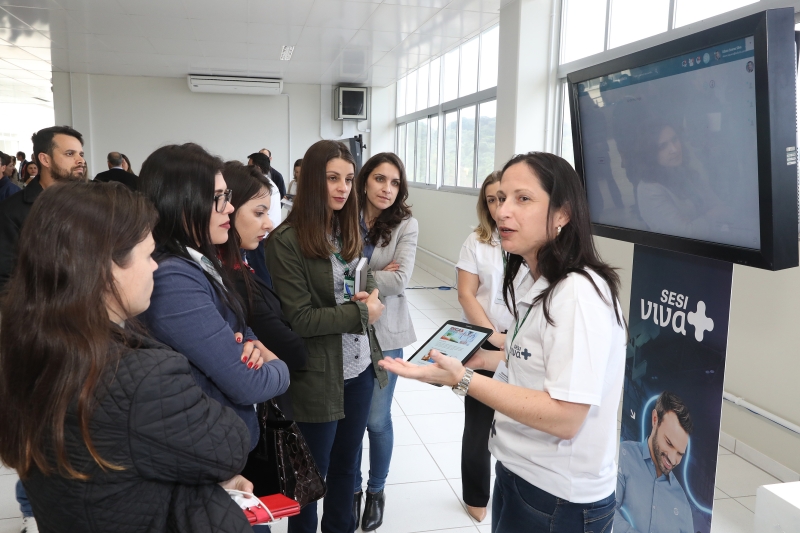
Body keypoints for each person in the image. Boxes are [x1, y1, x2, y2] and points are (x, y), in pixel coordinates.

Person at [380, 152, 626, 533]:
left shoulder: (578, 294)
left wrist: (463, 379)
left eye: (522, 199)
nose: (502, 212)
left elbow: (565, 417)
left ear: (562, 214)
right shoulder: (535, 280)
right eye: (500, 198)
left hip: (557, 498)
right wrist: (479, 360)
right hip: (519, 473)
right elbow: (529, 360)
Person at [0, 181, 256, 533]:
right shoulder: (143, 376)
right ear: (105, 267)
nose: (155, 268)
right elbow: (232, 446)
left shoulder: (29, 347)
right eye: (148, 255)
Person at [264, 140, 386, 533]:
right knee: (309, 477)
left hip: (359, 368)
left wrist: (367, 297)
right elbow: (299, 319)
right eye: (333, 178)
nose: (343, 188)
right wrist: (361, 313)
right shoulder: (286, 240)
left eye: (349, 179)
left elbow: (357, 281)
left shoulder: (347, 228)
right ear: (313, 180)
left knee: (347, 467)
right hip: (318, 375)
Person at [137, 143, 290, 453]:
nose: (229, 208)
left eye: (227, 197)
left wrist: (252, 345)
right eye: (218, 198)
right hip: (204, 453)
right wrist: (279, 367)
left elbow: (243, 329)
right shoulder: (174, 279)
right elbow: (248, 384)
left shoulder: (197, 261)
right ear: (182, 203)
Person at [455, 171, 528, 523]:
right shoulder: (476, 241)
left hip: (524, 342)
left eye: (504, 197)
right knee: (479, 424)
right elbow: (466, 294)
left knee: (520, 421)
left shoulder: (529, 243)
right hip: (485, 340)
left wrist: (512, 338)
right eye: (492, 200)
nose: (499, 206)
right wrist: (493, 336)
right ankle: (475, 495)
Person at [353, 153, 418, 531]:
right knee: (348, 419)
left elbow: (401, 280)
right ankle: (352, 489)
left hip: (386, 333)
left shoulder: (406, 224)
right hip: (344, 331)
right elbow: (326, 273)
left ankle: (376, 491)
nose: (387, 189)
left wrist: (355, 278)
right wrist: (377, 272)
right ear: (365, 181)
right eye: (380, 179)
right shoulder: (342, 216)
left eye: (395, 183)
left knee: (376, 420)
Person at [217, 160, 309, 419]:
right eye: (259, 213)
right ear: (229, 210)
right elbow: (291, 348)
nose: (269, 224)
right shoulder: (231, 281)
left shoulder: (239, 266)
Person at [0, 126, 86, 289]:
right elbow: (5, 278)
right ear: (45, 160)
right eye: (70, 154)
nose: (80, 160)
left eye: (81, 154)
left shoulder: (90, 204)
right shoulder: (11, 212)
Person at [614, 391, 694, 533]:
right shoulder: (625, 456)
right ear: (655, 419)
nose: (672, 459)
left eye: (680, 454)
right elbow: (605, 510)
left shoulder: (682, 503)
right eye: (669, 443)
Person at [248, 152, 282, 228]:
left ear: (257, 168)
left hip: (266, 230)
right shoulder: (269, 183)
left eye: (249, 166)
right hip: (271, 228)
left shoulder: (261, 186)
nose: (247, 169)